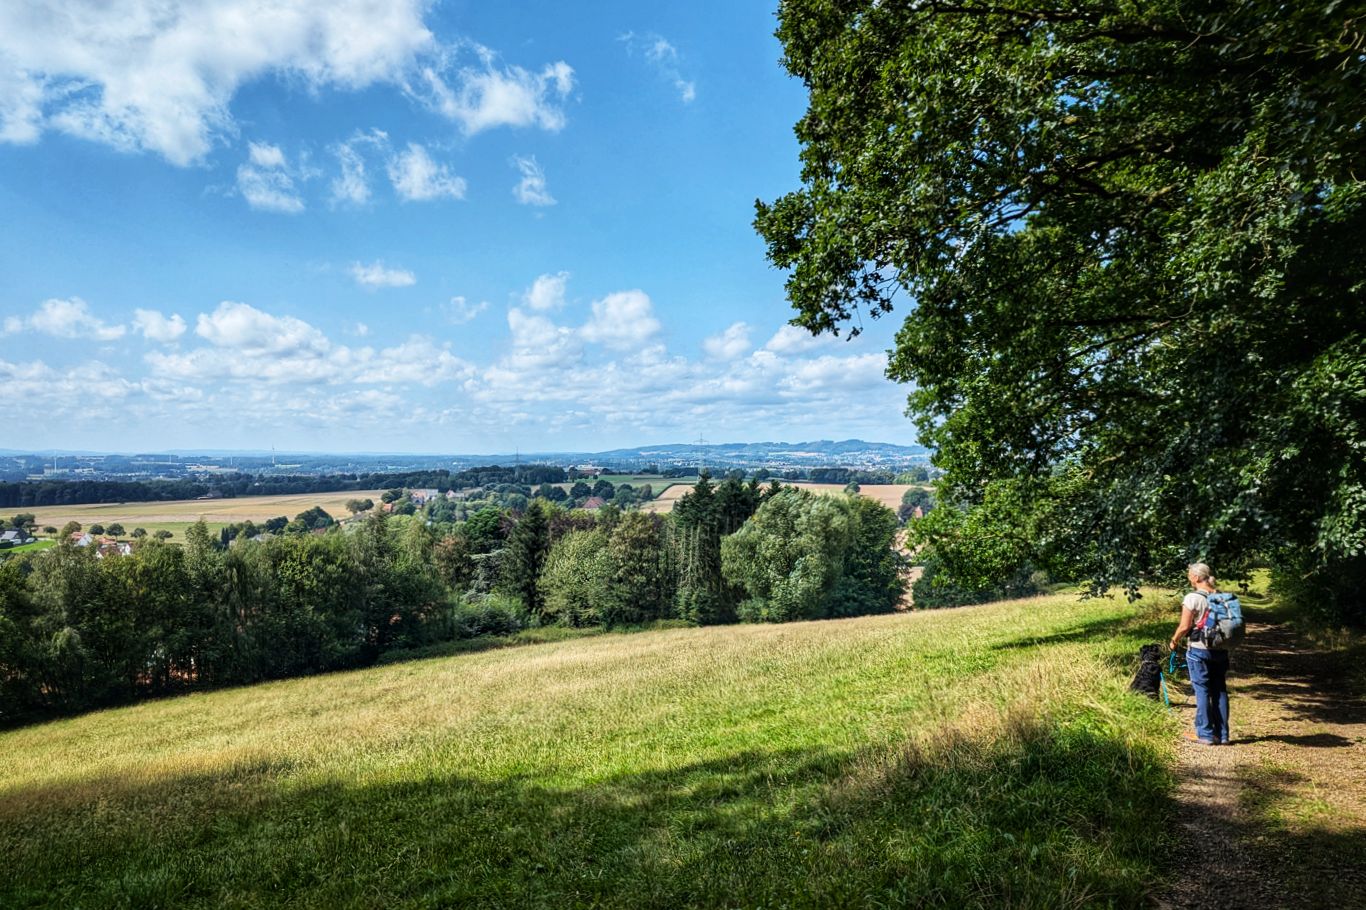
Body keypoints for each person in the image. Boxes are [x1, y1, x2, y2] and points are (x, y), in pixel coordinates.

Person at [1169, 562, 1231, 745]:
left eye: (1189, 575)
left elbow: (1185, 626)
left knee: (1202, 689)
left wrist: (1174, 641)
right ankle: (1222, 734)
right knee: (1219, 690)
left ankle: (1204, 734)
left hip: (1199, 650)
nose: (1188, 578)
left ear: (1196, 577)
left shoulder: (1192, 598)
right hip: (1220, 650)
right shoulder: (1221, 596)